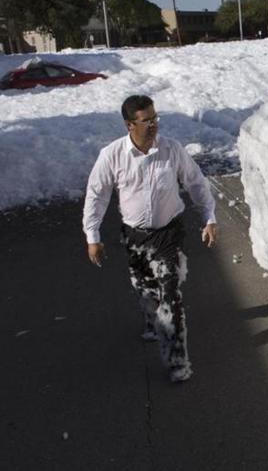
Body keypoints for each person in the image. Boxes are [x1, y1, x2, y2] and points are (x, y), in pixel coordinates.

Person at [82, 95, 217, 383]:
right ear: (130, 124)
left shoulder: (171, 149)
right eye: (147, 120)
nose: (154, 124)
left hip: (169, 232)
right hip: (134, 236)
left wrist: (209, 218)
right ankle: (150, 318)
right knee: (144, 288)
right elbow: (97, 195)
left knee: (170, 293)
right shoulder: (112, 155)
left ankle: (177, 360)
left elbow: (195, 181)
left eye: (156, 118)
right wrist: (93, 235)